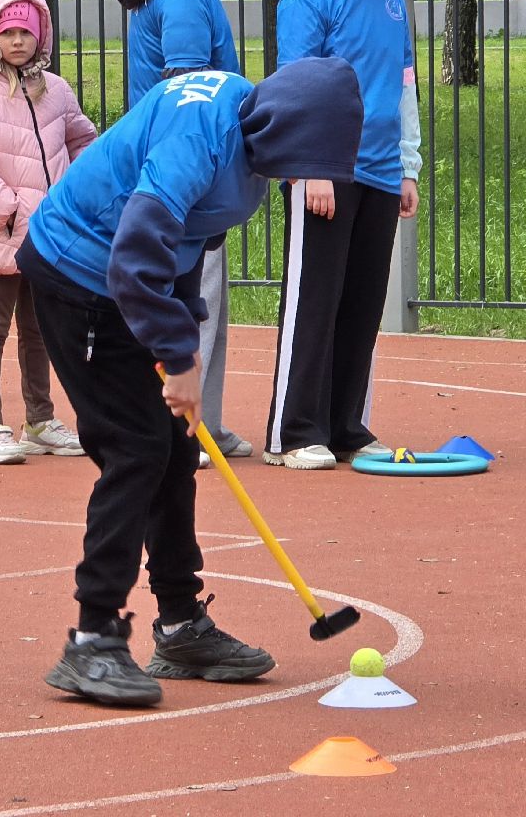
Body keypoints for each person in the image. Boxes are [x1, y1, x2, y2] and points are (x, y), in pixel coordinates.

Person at [18, 58, 364, 707]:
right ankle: (91, 640)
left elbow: (185, 244)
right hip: (79, 275)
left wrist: (185, 340)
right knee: (136, 450)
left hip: (126, 283)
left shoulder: (246, 138)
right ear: (287, 130)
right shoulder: (199, 141)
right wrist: (178, 358)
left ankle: (180, 625)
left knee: (175, 448)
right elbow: (136, 254)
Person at [264, 0, 422, 471]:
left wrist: (408, 165)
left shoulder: (390, 1)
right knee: (315, 299)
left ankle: (347, 426)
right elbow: (298, 86)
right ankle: (295, 428)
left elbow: (404, 84)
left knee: (361, 302)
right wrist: (311, 166)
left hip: (380, 172)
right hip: (326, 171)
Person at [110, 0, 250, 467]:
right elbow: (189, 91)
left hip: (174, 162)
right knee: (193, 297)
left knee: (203, 296)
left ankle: (204, 422)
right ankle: (184, 429)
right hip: (185, 167)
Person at [0, 0, 97, 465]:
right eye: (7, 32)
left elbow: (82, 141)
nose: (17, 41)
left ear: (41, 36)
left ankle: (40, 418)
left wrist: (80, 195)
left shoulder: (57, 92)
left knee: (42, 330)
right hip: (4, 234)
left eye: (26, 32)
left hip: (49, 238)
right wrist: (9, 210)